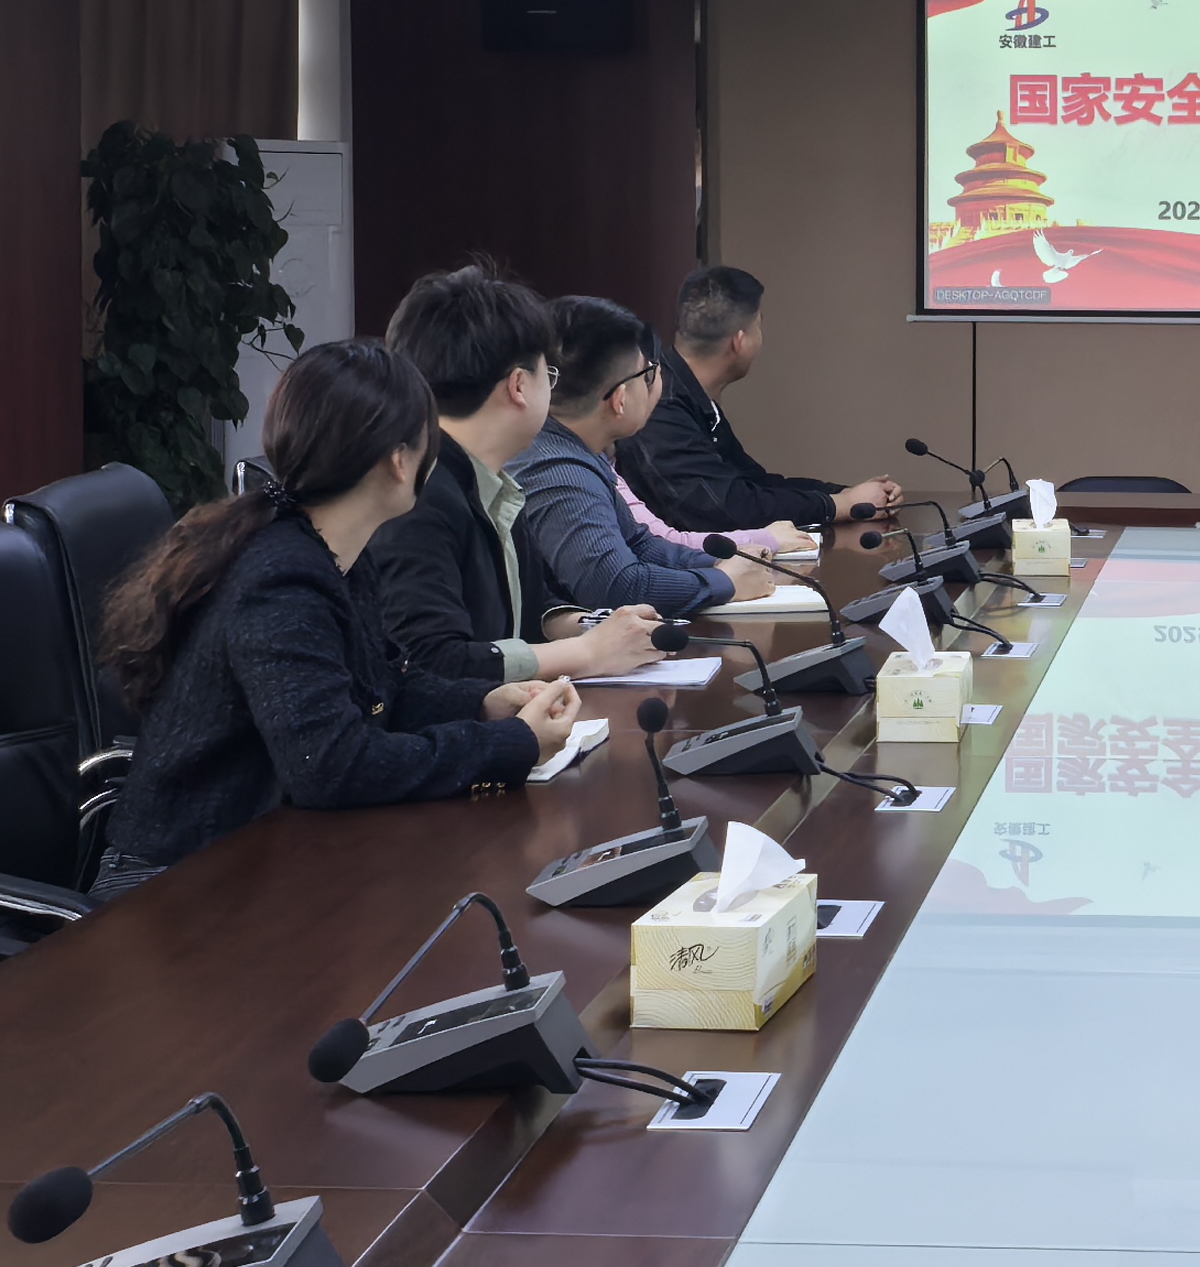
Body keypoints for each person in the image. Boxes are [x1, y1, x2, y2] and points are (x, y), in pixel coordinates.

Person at [95, 340, 582, 893]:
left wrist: (483, 704)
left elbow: (383, 687)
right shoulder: (281, 578)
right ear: (399, 460)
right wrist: (511, 744)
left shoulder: (333, 551)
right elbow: (331, 765)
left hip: (266, 855)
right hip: (173, 884)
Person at [363, 266, 671, 688]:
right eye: (549, 375)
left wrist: (595, 628)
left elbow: (528, 608)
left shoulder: (491, 478)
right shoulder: (417, 495)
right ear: (520, 386)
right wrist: (587, 653)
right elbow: (428, 660)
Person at [516, 296, 782, 621]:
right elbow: (616, 587)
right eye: (648, 374)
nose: (657, 384)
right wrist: (723, 582)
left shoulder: (578, 451)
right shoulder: (559, 469)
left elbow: (642, 544)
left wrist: (722, 561)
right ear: (619, 399)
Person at [626, 264, 902, 537]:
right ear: (740, 341)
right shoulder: (660, 403)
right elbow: (726, 509)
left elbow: (753, 485)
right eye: (758, 326)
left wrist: (847, 495)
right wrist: (840, 505)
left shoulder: (688, 391)